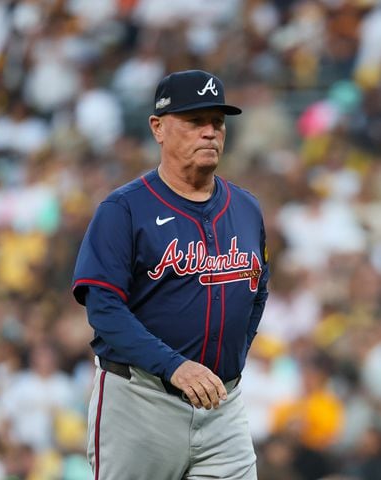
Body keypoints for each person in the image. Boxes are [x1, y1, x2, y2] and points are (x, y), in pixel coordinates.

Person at [71, 69, 270, 479]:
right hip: (140, 402)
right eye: (195, 121)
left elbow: (258, 290)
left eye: (217, 122)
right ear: (158, 128)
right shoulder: (123, 209)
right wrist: (174, 365)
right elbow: (104, 309)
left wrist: (231, 360)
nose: (210, 132)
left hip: (222, 406)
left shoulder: (246, 208)